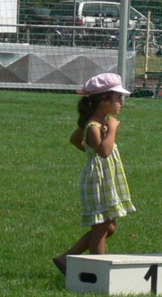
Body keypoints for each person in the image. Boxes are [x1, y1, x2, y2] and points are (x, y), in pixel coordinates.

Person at [55, 72, 136, 272]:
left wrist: (91, 151)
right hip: (98, 181)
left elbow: (75, 139)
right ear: (104, 100)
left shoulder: (97, 122)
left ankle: (66, 258)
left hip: (106, 178)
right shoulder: (94, 125)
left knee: (109, 227)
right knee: (101, 228)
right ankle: (98, 272)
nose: (122, 102)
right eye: (118, 98)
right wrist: (113, 130)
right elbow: (105, 151)